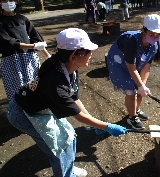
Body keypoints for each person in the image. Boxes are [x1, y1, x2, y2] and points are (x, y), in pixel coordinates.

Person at [7, 28, 127, 177]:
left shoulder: (69, 68)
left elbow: (74, 99)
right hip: (23, 113)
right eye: (88, 51)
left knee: (69, 138)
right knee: (59, 147)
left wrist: (93, 121)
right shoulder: (55, 84)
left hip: (40, 108)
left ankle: (67, 168)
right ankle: (65, 174)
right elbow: (78, 116)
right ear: (73, 56)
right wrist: (107, 126)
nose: (92, 54)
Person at [107, 14, 160, 129]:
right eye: (151, 34)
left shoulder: (154, 46)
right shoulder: (131, 40)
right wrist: (140, 86)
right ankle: (131, 117)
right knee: (131, 90)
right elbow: (131, 67)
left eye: (158, 35)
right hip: (119, 63)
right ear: (143, 31)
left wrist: (142, 85)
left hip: (133, 63)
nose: (155, 37)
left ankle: (135, 109)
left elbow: (146, 66)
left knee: (139, 88)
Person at [0, 0, 49, 101]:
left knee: (35, 87)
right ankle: (19, 116)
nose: (8, 3)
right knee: (18, 92)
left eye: (11, 0)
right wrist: (33, 46)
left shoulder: (23, 19)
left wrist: (47, 56)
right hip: (12, 62)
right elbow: (9, 42)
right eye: (4, 0)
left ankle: (35, 113)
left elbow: (36, 38)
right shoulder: (1, 22)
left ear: (16, 1)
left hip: (29, 59)